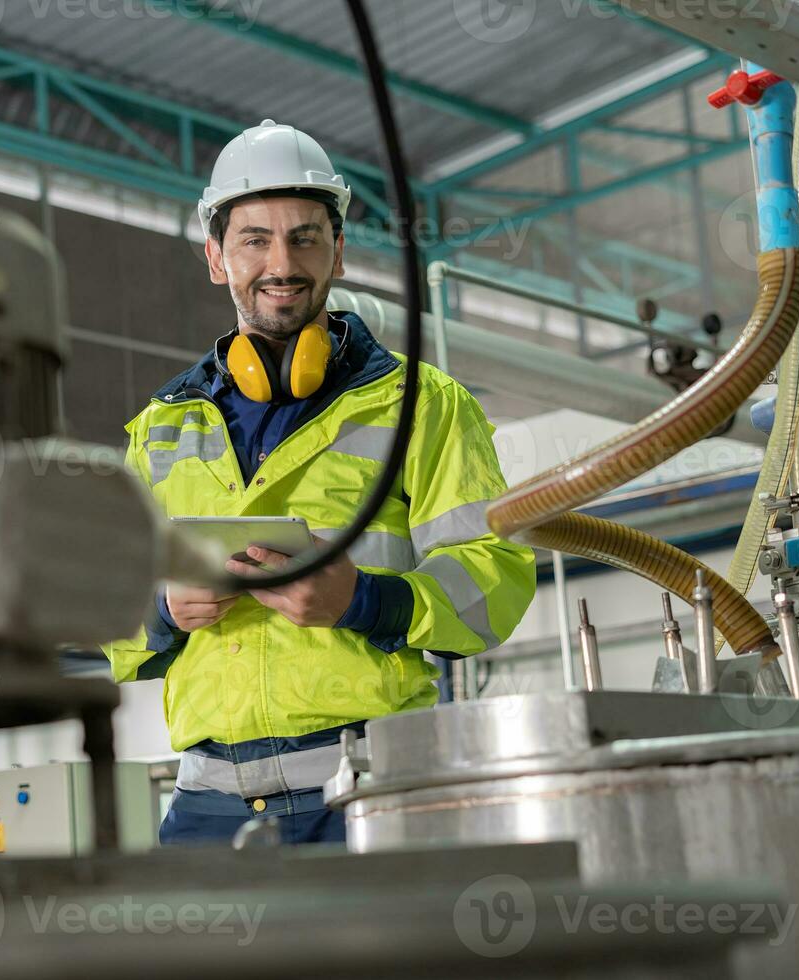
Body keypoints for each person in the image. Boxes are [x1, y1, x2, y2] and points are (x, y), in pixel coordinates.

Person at [105, 120, 535, 846]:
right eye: (255, 239)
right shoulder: (160, 429)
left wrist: (366, 599)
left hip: (369, 781)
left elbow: (493, 582)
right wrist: (163, 609)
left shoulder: (424, 405)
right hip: (208, 800)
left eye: (306, 237)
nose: (283, 262)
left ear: (338, 251)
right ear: (216, 257)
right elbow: (96, 603)